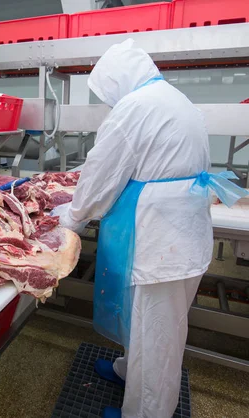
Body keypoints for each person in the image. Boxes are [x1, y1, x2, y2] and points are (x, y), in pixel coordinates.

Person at [57, 39, 216, 418]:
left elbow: (101, 174)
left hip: (164, 242)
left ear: (117, 79)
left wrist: (71, 219)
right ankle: (129, 371)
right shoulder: (170, 99)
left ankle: (146, 413)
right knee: (145, 323)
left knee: (157, 335)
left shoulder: (135, 108)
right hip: (177, 234)